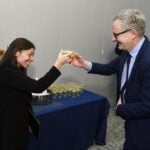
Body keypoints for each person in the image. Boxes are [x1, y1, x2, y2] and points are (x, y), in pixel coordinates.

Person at [71, 9, 150, 150]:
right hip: (132, 122)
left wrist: (120, 109)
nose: (113, 39)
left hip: (144, 127)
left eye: (116, 34)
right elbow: (109, 68)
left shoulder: (148, 60)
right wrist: (84, 64)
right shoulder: (127, 51)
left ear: (133, 34)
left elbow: (147, 106)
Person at [0, 37, 72, 150]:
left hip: (18, 122)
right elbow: (38, 87)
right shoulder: (6, 71)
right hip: (9, 125)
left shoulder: (17, 69)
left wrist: (28, 121)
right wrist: (58, 64)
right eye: (30, 54)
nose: (32, 59)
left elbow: (23, 99)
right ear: (17, 52)